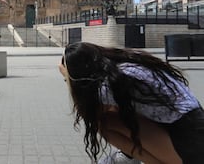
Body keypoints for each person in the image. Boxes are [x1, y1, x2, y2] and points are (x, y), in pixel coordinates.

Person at [58, 42, 204, 164]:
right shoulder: (126, 65)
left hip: (190, 146)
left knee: (105, 123)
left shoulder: (110, 85)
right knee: (113, 112)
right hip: (195, 127)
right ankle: (128, 156)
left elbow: (90, 113)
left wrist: (68, 79)